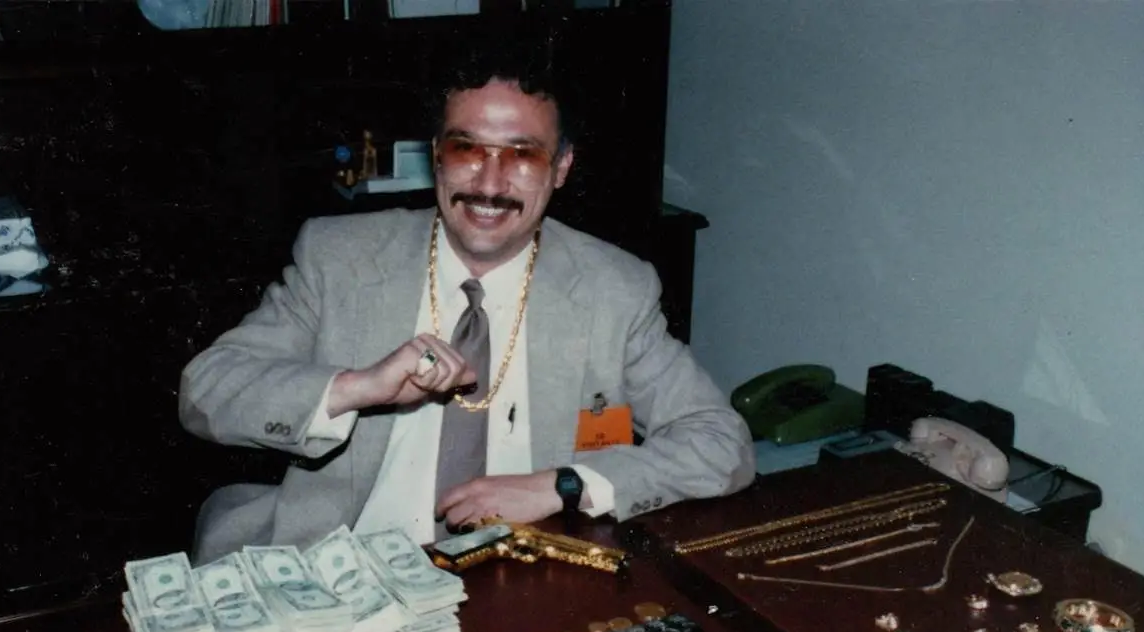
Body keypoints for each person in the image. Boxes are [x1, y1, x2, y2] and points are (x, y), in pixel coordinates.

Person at [179, 57, 754, 564]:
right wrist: (358, 387)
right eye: (466, 148)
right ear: (436, 156)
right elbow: (206, 392)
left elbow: (721, 443)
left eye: (523, 155)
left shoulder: (613, 288)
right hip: (345, 568)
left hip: (521, 574)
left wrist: (562, 485)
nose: (489, 182)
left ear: (561, 167)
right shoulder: (341, 259)